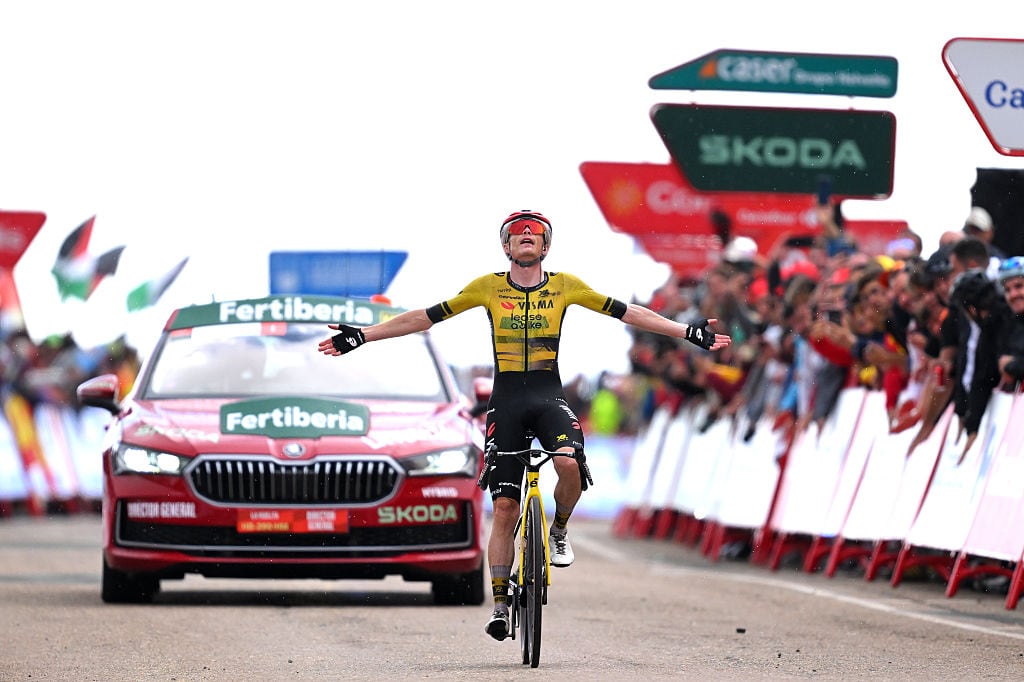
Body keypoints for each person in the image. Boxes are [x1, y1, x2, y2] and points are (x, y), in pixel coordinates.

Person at [316, 210, 732, 641]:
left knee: (569, 463)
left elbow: (628, 313)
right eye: (517, 233)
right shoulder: (487, 287)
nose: (527, 236)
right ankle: (499, 604)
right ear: (506, 247)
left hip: (549, 396)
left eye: (536, 233)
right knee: (504, 508)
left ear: (546, 247)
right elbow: (425, 317)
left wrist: (687, 332)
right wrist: (364, 334)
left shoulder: (566, 286)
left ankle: (560, 530)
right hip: (507, 401)